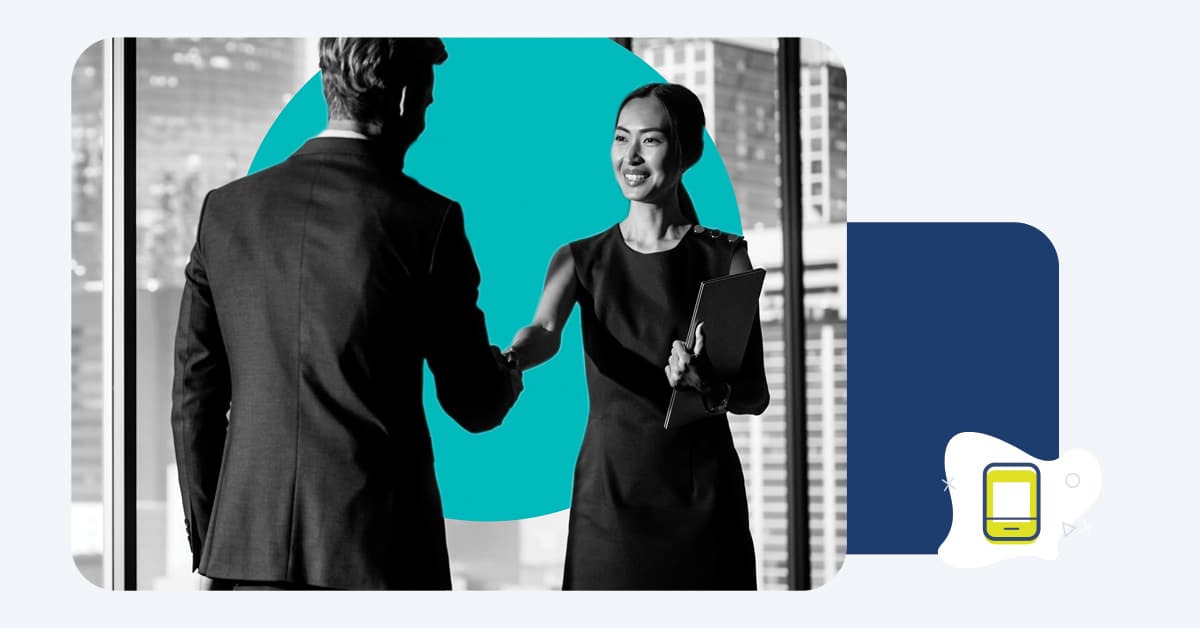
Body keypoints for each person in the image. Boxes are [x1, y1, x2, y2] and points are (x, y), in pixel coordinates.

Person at [169, 37, 522, 591]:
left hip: (249, 559)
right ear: (405, 99)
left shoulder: (226, 211)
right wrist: (511, 367)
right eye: (428, 104)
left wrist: (217, 543)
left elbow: (195, 400)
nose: (425, 117)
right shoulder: (429, 221)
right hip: (383, 554)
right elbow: (474, 402)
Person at [504, 83, 770, 590]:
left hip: (703, 503)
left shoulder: (726, 259)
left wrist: (707, 383)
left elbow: (755, 396)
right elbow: (543, 330)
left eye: (650, 140)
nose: (630, 156)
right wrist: (514, 357)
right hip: (609, 499)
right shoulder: (578, 258)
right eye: (621, 138)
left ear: (685, 152)